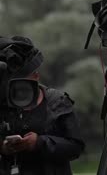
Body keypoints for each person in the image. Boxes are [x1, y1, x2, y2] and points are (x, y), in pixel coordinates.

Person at [0, 36, 85, 175]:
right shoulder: (2, 102)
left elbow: (76, 146)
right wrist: (2, 147)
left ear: (36, 76)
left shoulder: (57, 102)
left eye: (22, 81)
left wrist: (40, 143)